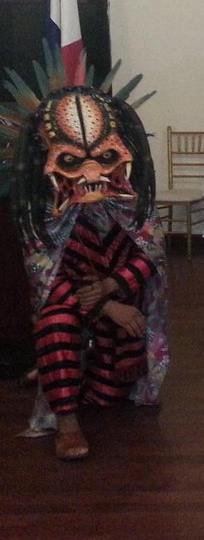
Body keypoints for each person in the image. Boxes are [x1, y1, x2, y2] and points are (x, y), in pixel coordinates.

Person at [8, 84, 168, 461]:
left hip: (120, 300)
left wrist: (112, 287)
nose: (92, 172)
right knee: (55, 324)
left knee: (106, 397)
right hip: (72, 303)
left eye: (105, 157)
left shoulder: (129, 199)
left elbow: (153, 255)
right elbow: (46, 281)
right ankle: (66, 423)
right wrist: (106, 307)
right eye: (72, 161)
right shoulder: (40, 212)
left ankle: (59, 372)